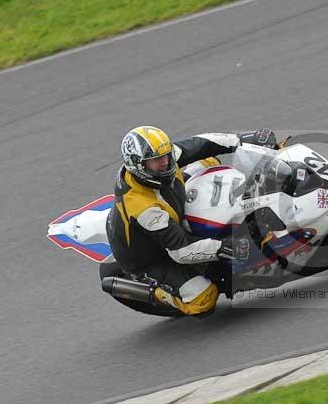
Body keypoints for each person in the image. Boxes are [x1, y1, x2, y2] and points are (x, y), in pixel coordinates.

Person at [106, 125, 279, 315]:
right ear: (138, 166)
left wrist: (243, 140)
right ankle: (158, 292)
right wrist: (223, 247)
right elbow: (180, 250)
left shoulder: (161, 163)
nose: (164, 162)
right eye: (156, 160)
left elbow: (202, 143)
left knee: (208, 160)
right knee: (203, 300)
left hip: (171, 204)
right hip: (152, 258)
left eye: (166, 155)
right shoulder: (142, 208)